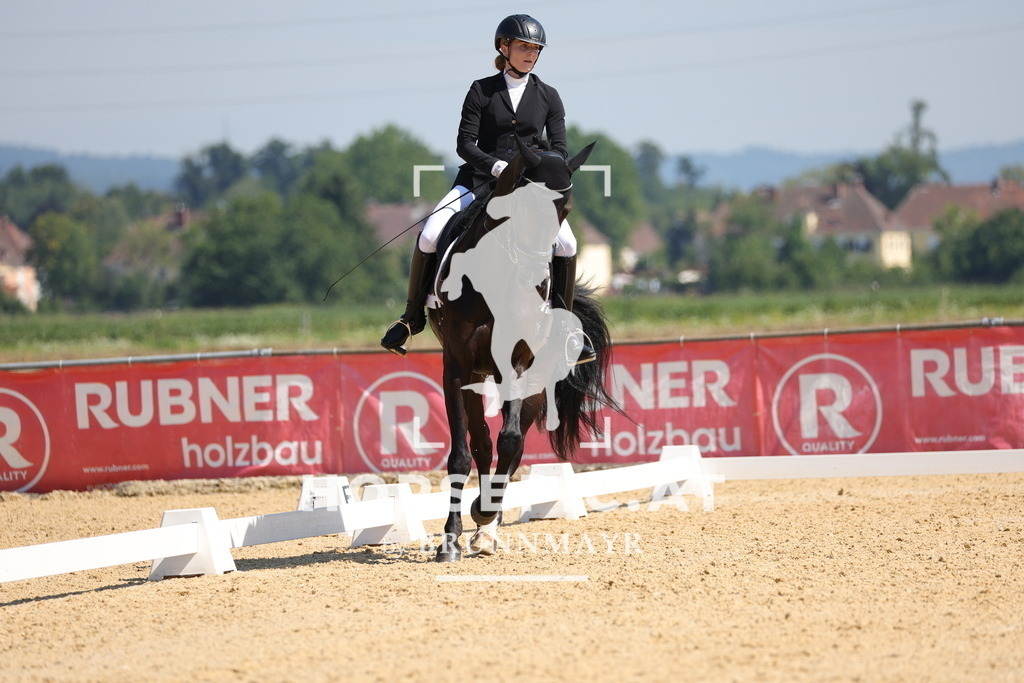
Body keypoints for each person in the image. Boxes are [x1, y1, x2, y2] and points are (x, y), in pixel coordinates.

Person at [380, 13, 594, 363]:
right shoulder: (481, 89)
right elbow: (465, 144)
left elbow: (560, 148)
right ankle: (410, 318)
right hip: (478, 178)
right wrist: (496, 166)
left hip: (529, 188)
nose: (530, 54)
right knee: (431, 234)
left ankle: (565, 329)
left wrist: (537, 170)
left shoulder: (549, 96)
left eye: (535, 49)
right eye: (523, 46)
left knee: (567, 243)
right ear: (503, 47)